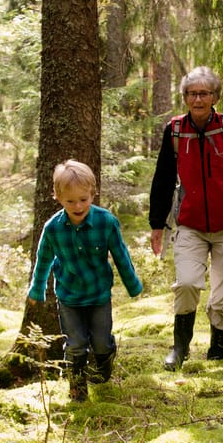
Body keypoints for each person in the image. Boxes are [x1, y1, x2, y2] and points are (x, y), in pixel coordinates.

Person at [149, 66, 223, 370]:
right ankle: (180, 349)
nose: (197, 98)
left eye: (203, 93)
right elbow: (162, 179)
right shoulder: (175, 130)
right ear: (185, 97)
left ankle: (217, 350)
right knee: (187, 283)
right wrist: (156, 223)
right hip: (190, 225)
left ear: (214, 96)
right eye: (192, 93)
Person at [27, 160, 143, 402]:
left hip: (99, 294)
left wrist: (133, 285)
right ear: (58, 197)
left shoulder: (106, 222)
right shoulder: (53, 228)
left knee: (101, 342)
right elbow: (43, 260)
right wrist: (37, 290)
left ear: (92, 193)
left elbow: (120, 254)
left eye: (83, 199)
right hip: (69, 296)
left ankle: (103, 366)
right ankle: (77, 388)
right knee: (76, 344)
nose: (78, 206)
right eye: (70, 201)